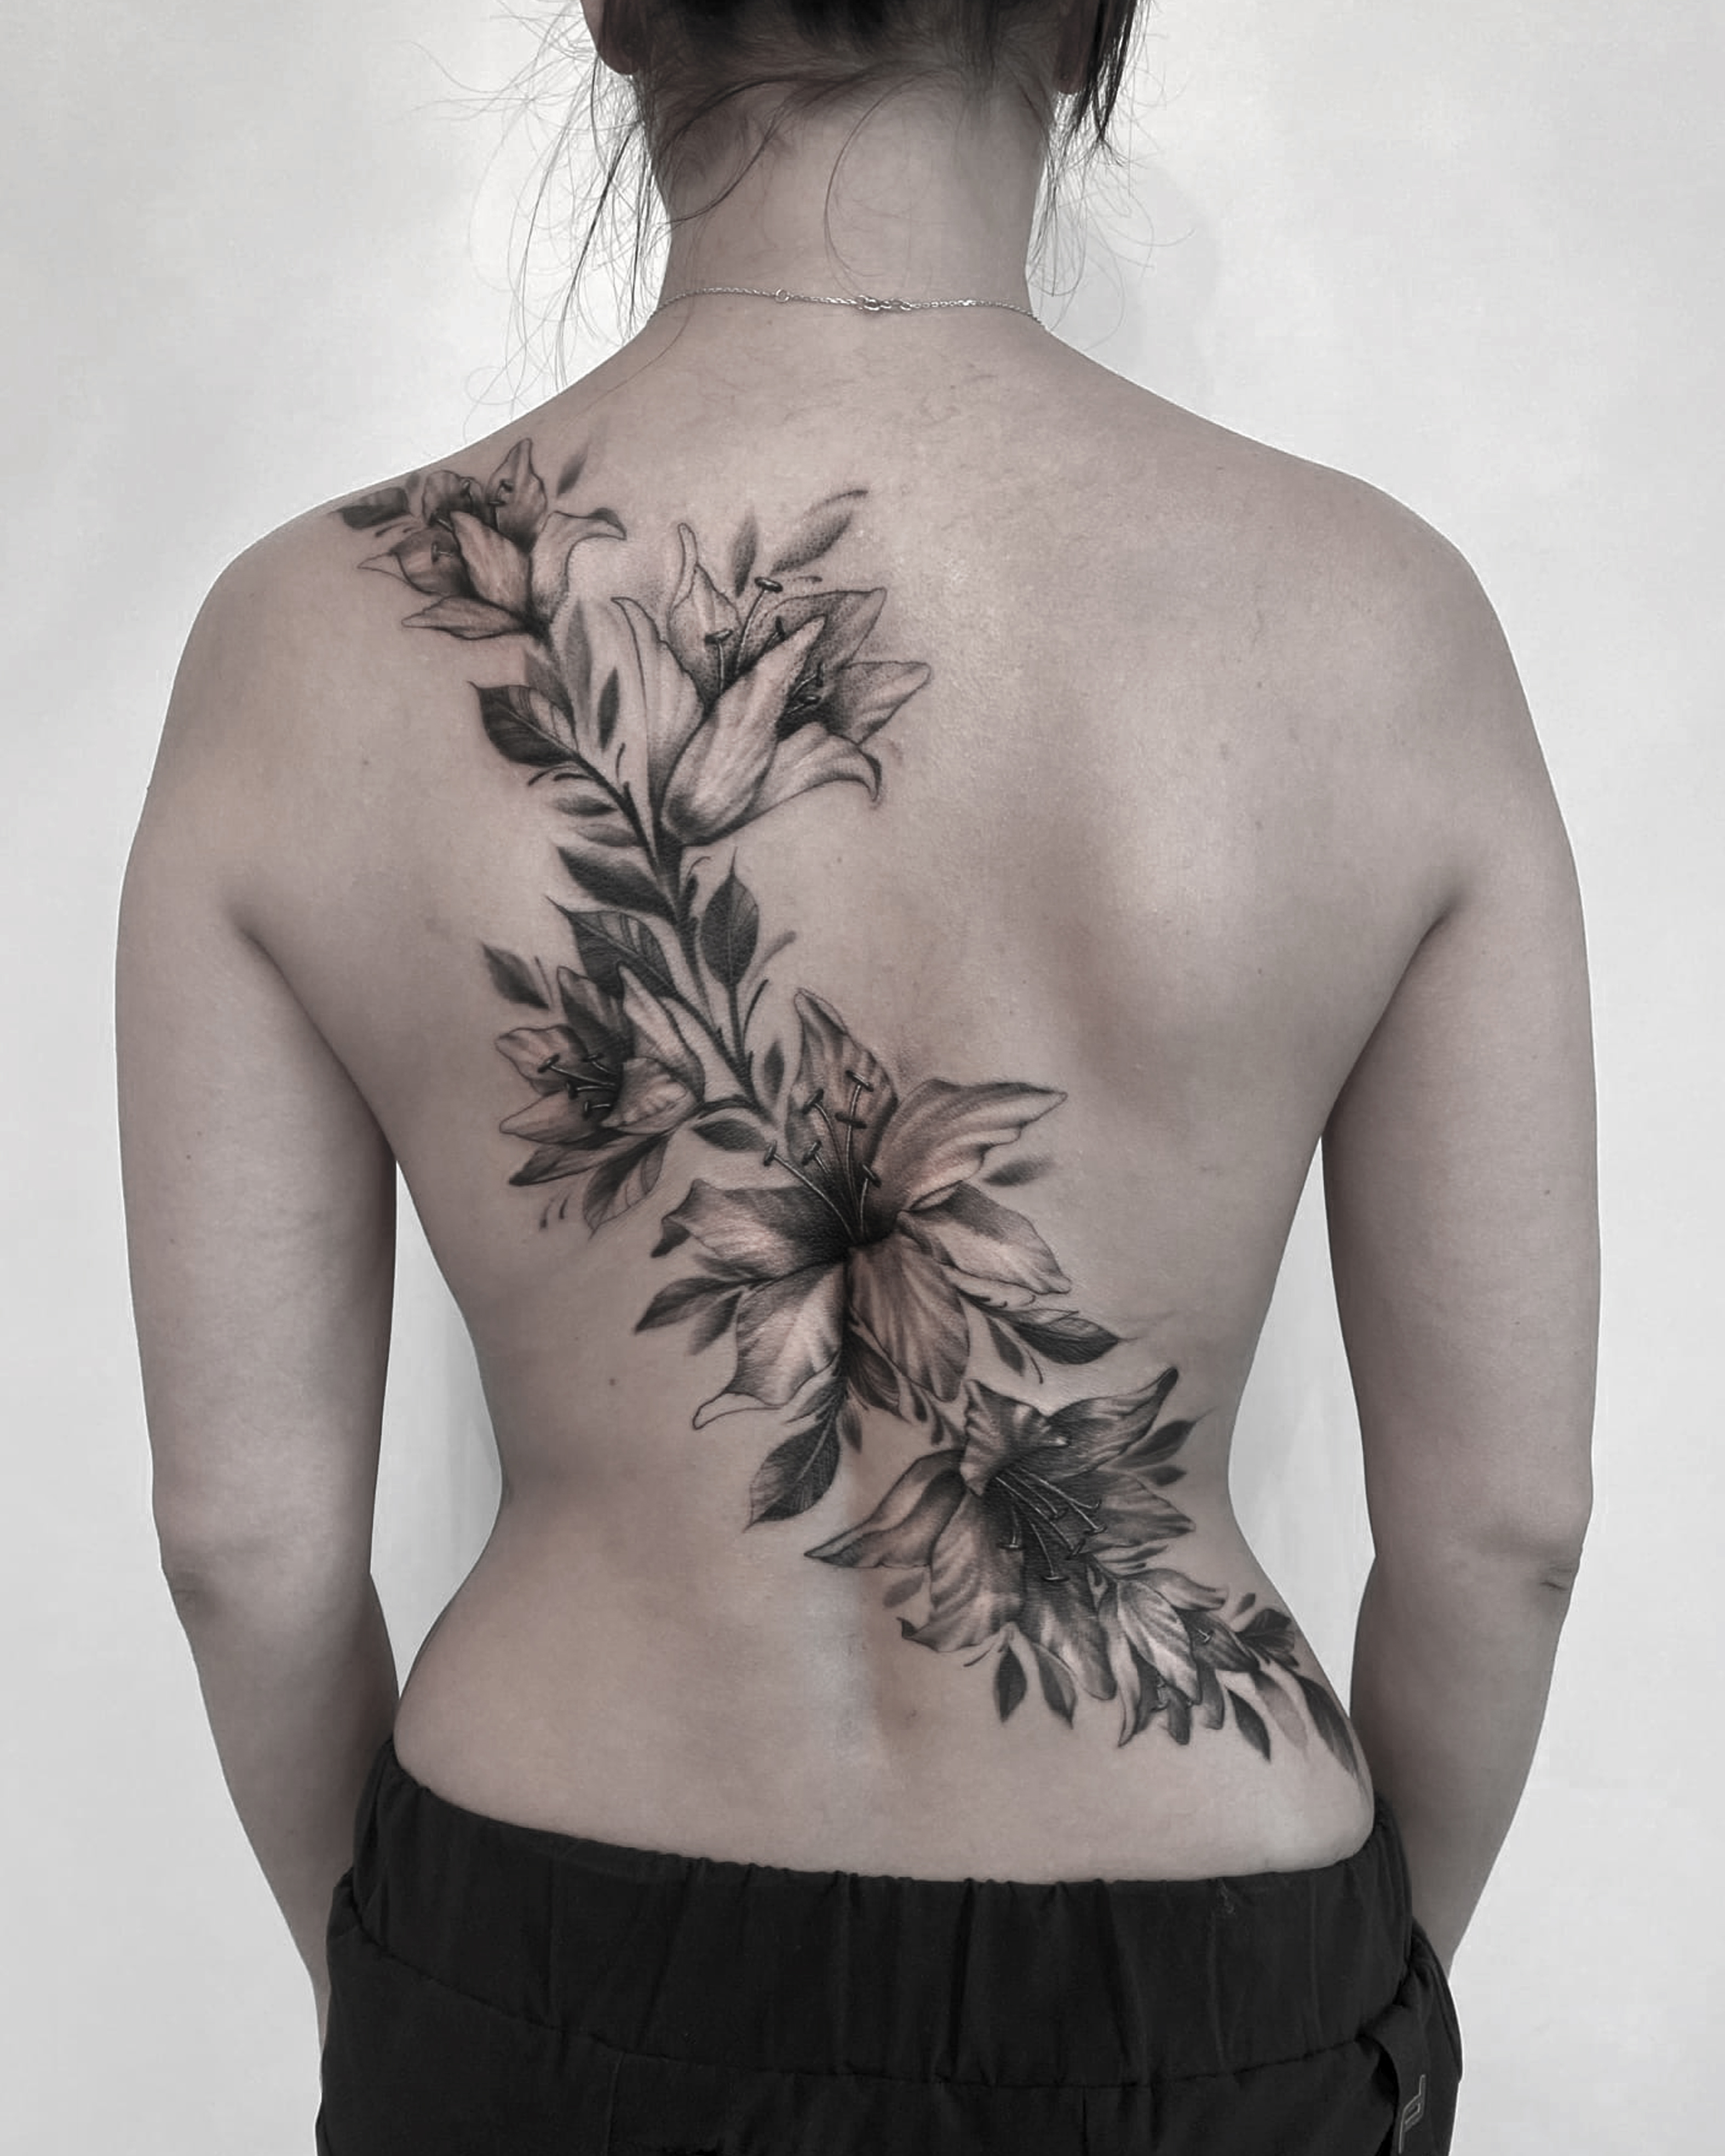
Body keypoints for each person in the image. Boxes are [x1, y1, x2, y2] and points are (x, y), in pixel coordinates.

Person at [117, 1, 1597, 2148]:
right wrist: (1353, 2020)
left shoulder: (307, 637)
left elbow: (242, 1544)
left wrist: (417, 1992)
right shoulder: (1382, 627)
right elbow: (1504, 1530)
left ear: (619, 16)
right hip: (1213, 1959)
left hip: (534, 1954)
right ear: (1088, 26)